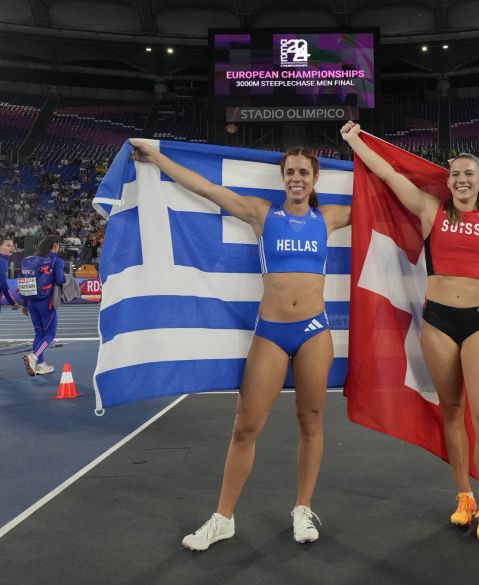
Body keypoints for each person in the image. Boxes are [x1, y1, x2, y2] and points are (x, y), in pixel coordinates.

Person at [129, 139, 351, 551]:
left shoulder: (331, 217)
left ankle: (303, 509)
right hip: (271, 331)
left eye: (304, 172)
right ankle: (223, 518)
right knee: (245, 427)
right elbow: (207, 189)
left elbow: (385, 203)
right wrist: (158, 158)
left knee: (312, 421)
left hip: (315, 332)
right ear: (282, 177)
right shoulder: (262, 214)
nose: (297, 178)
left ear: (315, 177)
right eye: (290, 172)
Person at [340, 121, 479, 542]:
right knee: (452, 412)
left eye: (468, 174)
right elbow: (388, 174)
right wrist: (355, 140)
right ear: (448, 180)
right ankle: (463, 496)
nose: (460, 179)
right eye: (454, 173)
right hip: (437, 322)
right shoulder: (429, 210)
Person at [20, 235, 65, 376]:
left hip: (32, 303)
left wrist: (25, 305)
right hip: (46, 304)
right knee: (50, 334)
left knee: (39, 333)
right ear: (55, 245)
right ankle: (33, 357)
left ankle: (40, 365)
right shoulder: (56, 260)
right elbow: (59, 279)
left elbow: (26, 283)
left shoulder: (30, 260)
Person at [0, 238, 20, 313]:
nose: (11, 248)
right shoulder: (2, 261)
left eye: (12, 245)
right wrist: (13, 302)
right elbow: (2, 284)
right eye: (8, 245)